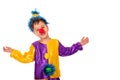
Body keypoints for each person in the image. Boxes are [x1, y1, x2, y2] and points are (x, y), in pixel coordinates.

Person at [3, 9, 89, 80]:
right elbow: (26, 58)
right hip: (41, 77)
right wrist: (13, 51)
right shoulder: (34, 46)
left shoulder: (55, 42)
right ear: (35, 33)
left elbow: (66, 51)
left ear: (47, 28)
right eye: (37, 29)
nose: (41, 30)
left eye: (43, 27)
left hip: (54, 77)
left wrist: (79, 44)